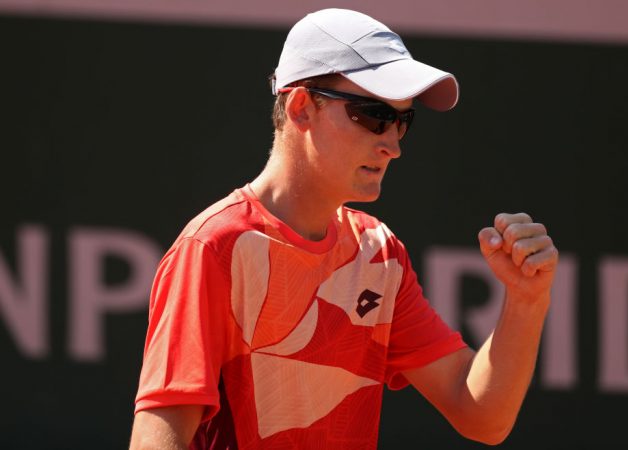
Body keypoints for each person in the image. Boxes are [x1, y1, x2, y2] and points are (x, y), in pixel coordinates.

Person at [129, 8, 558, 450]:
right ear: (301, 108)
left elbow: (482, 416)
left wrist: (527, 301)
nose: (392, 144)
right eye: (373, 115)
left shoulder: (379, 253)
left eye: (402, 121)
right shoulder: (212, 247)